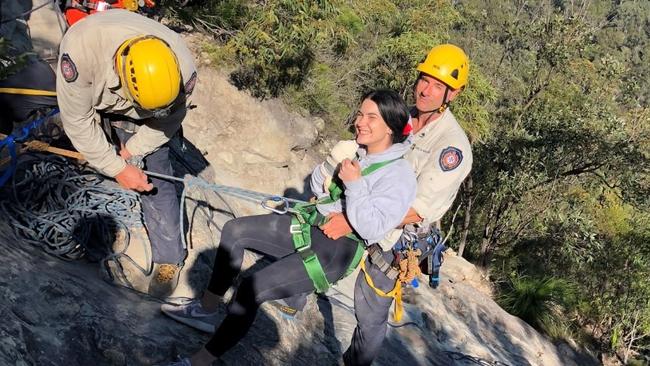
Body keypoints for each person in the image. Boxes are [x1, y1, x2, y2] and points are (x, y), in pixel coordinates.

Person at [160, 89, 417, 366]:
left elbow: (373, 227)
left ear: (390, 127)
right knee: (234, 231)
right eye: (359, 114)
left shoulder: (399, 175)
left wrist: (354, 183)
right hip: (313, 226)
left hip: (336, 250)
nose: (360, 121)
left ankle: (199, 361)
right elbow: (320, 190)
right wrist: (330, 164)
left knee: (251, 288)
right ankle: (207, 309)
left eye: (371, 117)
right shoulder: (358, 151)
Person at [55, 9, 198, 297]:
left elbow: (168, 121)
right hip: (99, 93)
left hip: (150, 114)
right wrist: (117, 166)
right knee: (98, 151)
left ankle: (169, 258)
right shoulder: (81, 54)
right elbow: (79, 122)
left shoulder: (182, 71)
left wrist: (132, 151)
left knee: (156, 176)